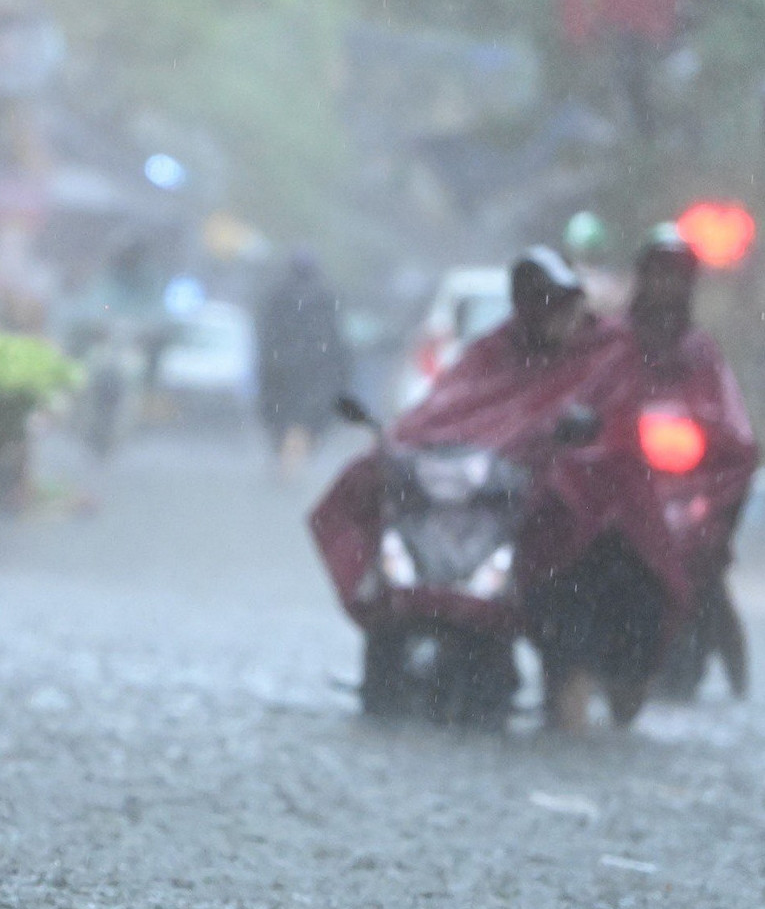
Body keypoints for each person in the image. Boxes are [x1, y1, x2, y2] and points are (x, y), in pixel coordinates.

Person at [312, 247, 659, 727]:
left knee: (577, 592)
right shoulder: (496, 349)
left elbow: (610, 436)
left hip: (580, 521)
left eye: (555, 300)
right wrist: (397, 445)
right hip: (484, 496)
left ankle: (572, 686)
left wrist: (563, 460)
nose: (548, 313)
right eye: (536, 300)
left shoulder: (607, 350)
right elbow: (446, 407)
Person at [617, 225, 757, 699]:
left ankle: (735, 671)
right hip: (621, 487)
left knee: (706, 572)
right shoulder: (615, 341)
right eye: (658, 274)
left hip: (684, 489)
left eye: (675, 276)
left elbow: (731, 432)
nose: (665, 286)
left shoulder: (699, 350)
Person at [256, 251, 349, 477]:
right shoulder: (325, 297)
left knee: (283, 418)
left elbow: (266, 333)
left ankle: (287, 460)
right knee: (304, 419)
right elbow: (335, 337)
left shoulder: (278, 295)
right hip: (313, 371)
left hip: (282, 369)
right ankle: (291, 461)